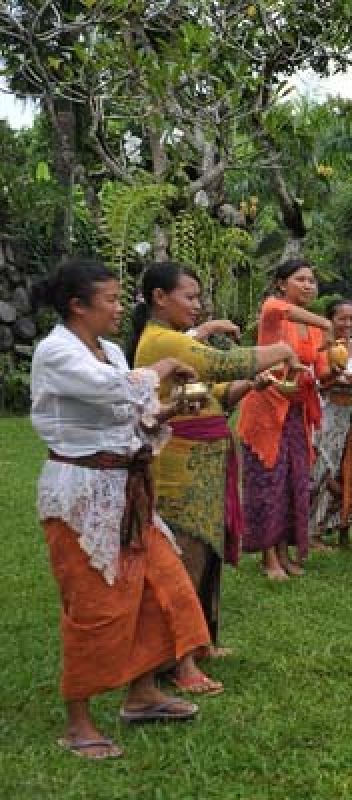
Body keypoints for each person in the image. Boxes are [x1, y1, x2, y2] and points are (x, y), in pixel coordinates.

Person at [30, 259, 212, 760]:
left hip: (126, 490)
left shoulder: (109, 350)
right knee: (94, 605)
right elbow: (112, 388)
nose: (118, 308)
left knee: (163, 586)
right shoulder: (56, 353)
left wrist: (168, 410)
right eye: (110, 299)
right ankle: (78, 721)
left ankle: (142, 692)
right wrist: (163, 368)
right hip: (81, 494)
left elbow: (133, 410)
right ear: (78, 306)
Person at [128, 262, 301, 692]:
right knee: (183, 560)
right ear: (159, 298)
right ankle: (177, 660)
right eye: (189, 296)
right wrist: (279, 351)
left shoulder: (175, 342)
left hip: (205, 462)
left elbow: (212, 395)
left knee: (204, 557)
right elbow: (224, 363)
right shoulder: (162, 341)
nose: (197, 304)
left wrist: (252, 386)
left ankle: (199, 642)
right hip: (179, 467)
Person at [236, 259, 336, 580]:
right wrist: (327, 324)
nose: (308, 285)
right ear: (282, 284)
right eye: (300, 279)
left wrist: (337, 366)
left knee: (294, 481)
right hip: (267, 407)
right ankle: (268, 558)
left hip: (296, 413)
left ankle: (283, 552)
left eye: (312, 280)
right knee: (269, 481)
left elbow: (321, 374)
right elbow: (280, 310)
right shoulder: (273, 311)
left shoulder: (313, 328)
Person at [310, 298, 352, 549]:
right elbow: (318, 382)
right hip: (331, 415)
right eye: (342, 318)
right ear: (331, 320)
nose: (348, 323)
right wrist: (335, 376)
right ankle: (314, 531)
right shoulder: (322, 348)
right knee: (324, 469)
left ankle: (344, 530)